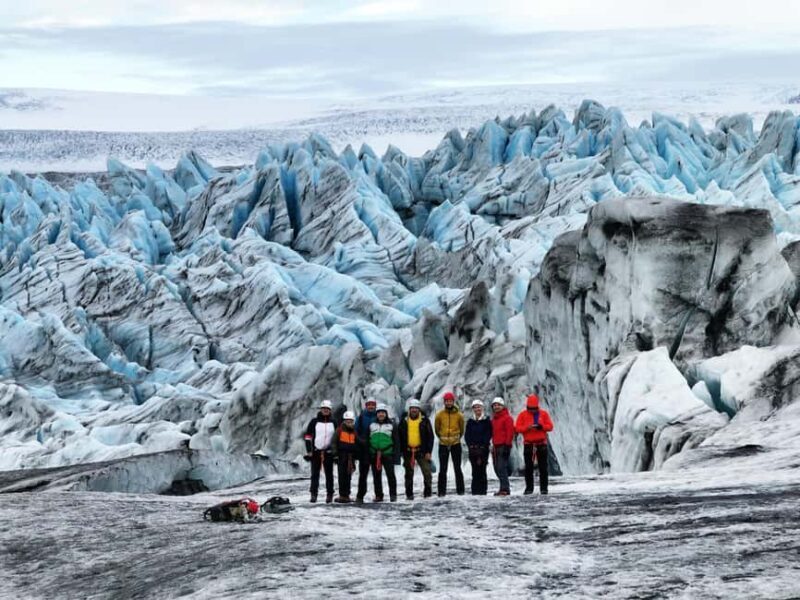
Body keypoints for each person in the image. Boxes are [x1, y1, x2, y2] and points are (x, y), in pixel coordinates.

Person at [514, 394, 554, 495]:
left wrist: (541, 427)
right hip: (529, 445)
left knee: (543, 468)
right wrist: (527, 428)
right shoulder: (523, 415)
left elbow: (550, 426)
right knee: (529, 468)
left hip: (541, 444)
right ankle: (529, 488)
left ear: (537, 406)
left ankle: (544, 489)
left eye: (534, 408)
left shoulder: (543, 414)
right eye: (530, 408)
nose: (532, 410)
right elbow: (517, 428)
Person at [398, 398, 434, 500]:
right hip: (408, 452)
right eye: (412, 408)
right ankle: (409, 495)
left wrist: (428, 451)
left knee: (427, 472)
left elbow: (430, 437)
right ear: (409, 409)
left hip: (421, 451)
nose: (414, 410)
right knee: (409, 474)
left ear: (419, 409)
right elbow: (399, 436)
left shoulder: (424, 421)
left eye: (416, 408)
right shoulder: (404, 421)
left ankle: (428, 494)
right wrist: (401, 451)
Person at [303, 399, 337, 503]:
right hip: (316, 452)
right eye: (324, 409)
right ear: (321, 409)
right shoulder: (314, 421)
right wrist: (309, 450)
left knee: (329, 474)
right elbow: (308, 436)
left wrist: (335, 452)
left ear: (330, 410)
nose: (325, 410)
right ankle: (313, 494)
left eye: (327, 409)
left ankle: (330, 494)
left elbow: (337, 437)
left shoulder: (334, 422)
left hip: (329, 452)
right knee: (314, 474)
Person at [434, 391, 465, 496]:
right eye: (446, 401)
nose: (448, 403)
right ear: (444, 402)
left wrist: (455, 438)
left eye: (450, 401)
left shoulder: (459, 415)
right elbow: (437, 429)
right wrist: (443, 439)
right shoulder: (439, 415)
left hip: (456, 444)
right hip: (443, 444)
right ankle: (441, 492)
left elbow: (462, 429)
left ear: (453, 402)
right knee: (443, 469)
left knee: (457, 468)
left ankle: (460, 491)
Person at [369, 403, 399, 502]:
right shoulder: (372, 425)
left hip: (387, 453)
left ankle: (393, 495)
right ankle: (378, 495)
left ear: (386, 413)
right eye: (379, 413)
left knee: (390, 475)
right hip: (374, 454)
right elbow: (368, 439)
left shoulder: (391, 425)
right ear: (376, 414)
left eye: (383, 412)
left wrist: (396, 456)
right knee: (376, 476)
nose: (381, 414)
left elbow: (396, 441)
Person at [465, 399, 492, 495]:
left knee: (482, 470)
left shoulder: (486, 420)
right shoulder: (470, 421)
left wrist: (482, 446)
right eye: (475, 407)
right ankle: (475, 491)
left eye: (479, 407)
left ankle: (483, 491)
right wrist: (471, 446)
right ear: (473, 409)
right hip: (473, 450)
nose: (477, 409)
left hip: (483, 449)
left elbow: (488, 434)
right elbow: (467, 435)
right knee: (475, 470)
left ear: (482, 408)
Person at [354, 397, 378, 504]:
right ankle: (360, 496)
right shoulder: (361, 417)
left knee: (377, 473)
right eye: (369, 405)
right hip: (364, 450)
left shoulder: (379, 416)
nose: (371, 406)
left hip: (375, 449)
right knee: (363, 474)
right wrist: (361, 441)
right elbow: (355, 432)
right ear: (366, 406)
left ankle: (379, 495)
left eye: (373, 405)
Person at [332, 410, 358, 503]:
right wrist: (335, 455)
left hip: (351, 457)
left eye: (350, 421)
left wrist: (356, 455)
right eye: (347, 421)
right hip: (341, 456)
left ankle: (347, 495)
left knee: (348, 476)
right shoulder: (339, 430)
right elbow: (334, 442)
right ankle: (342, 495)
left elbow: (357, 443)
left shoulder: (354, 431)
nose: (349, 423)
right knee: (342, 475)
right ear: (344, 421)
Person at [490, 397, 514, 496]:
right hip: (495, 447)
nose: (496, 407)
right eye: (495, 405)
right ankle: (502, 488)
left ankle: (505, 489)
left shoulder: (507, 418)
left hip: (503, 446)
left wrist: (507, 446)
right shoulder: (494, 420)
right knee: (496, 468)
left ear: (502, 406)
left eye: (498, 405)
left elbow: (510, 432)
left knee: (501, 468)